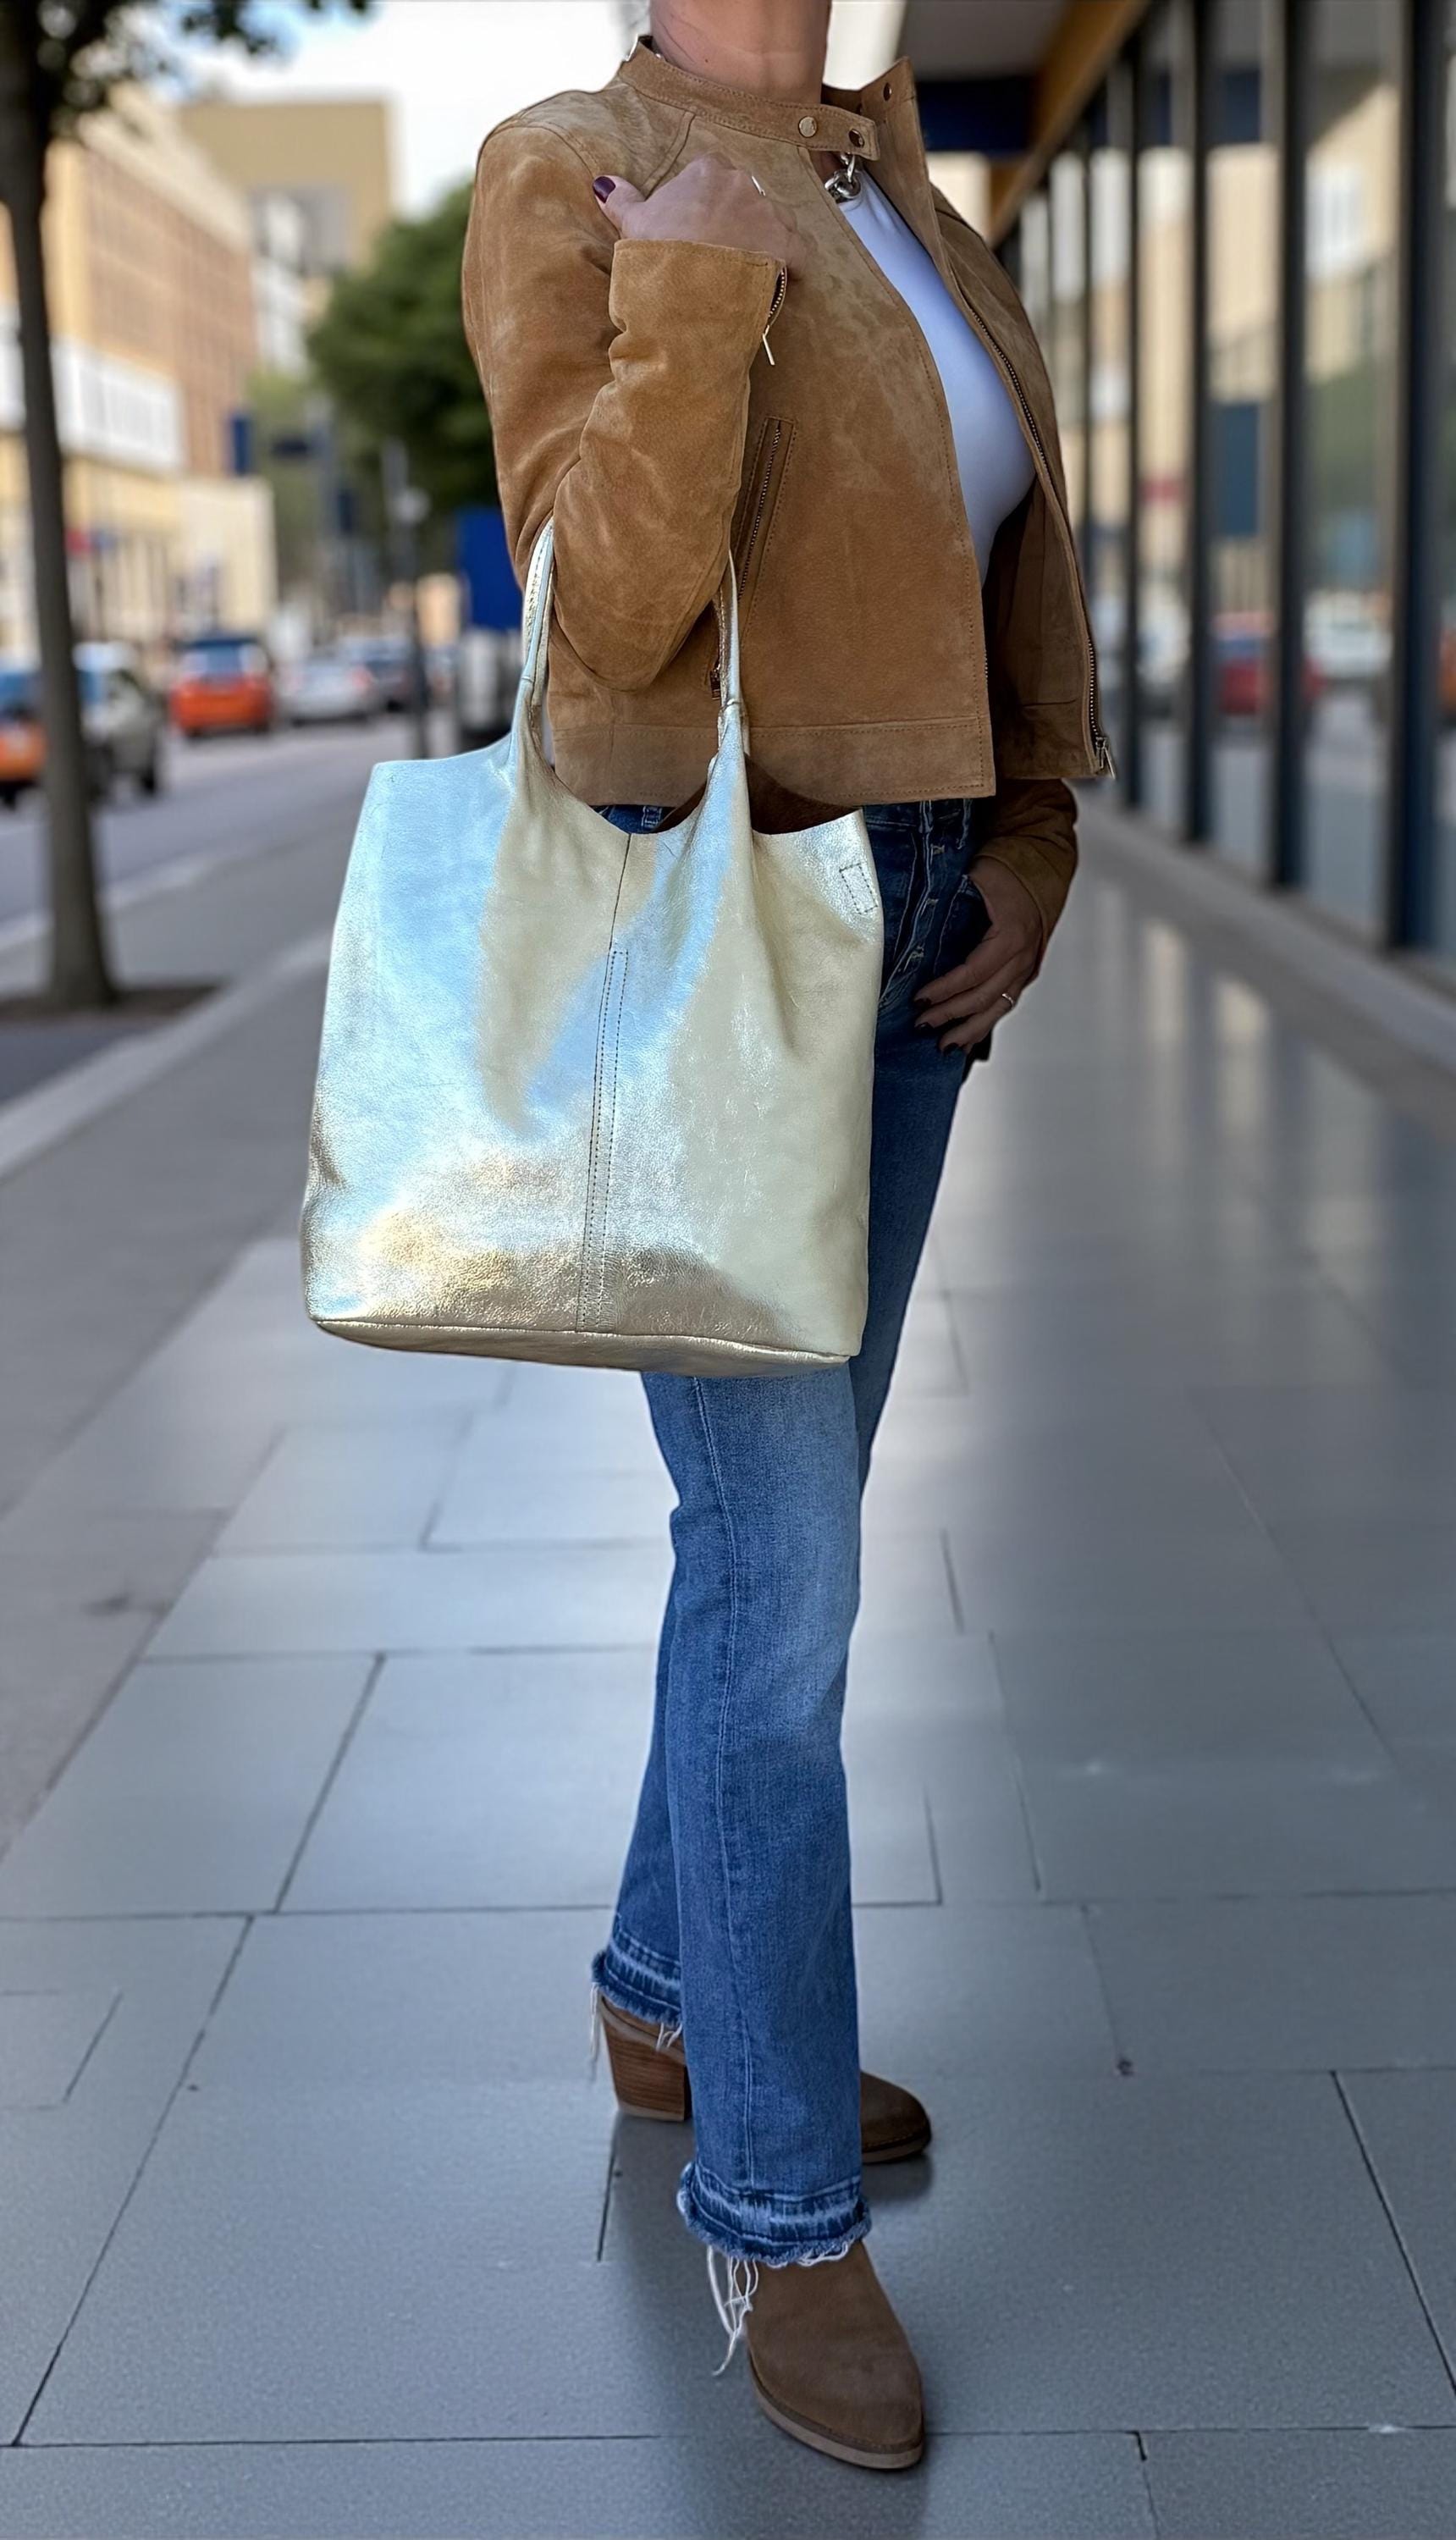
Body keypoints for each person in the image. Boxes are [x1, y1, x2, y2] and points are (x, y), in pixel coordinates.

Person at [463, 0, 1106, 2473]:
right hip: (721, 938)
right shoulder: (578, 165)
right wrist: (699, 290)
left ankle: (664, 1981)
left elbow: (1009, 535)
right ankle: (771, 2197)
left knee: (770, 1553)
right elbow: (607, 639)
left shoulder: (891, 169)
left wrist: (1038, 826)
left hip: (927, 920)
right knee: (786, 1571)